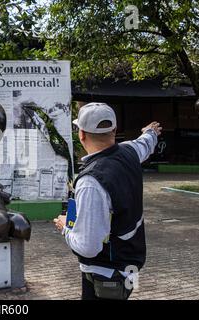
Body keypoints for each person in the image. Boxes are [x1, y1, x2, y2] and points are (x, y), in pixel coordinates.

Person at [54, 102, 162, 300]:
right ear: (114, 130)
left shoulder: (91, 182)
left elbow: (89, 246)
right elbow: (145, 143)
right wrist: (151, 132)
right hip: (131, 266)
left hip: (105, 275)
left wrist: (64, 227)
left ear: (82, 135)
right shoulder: (129, 152)